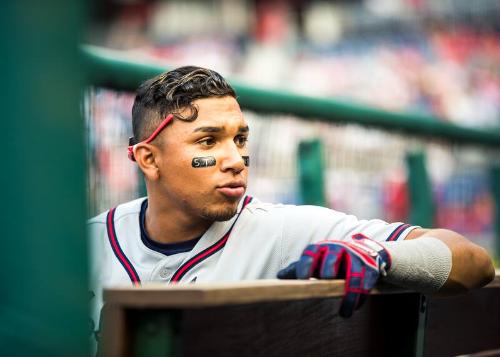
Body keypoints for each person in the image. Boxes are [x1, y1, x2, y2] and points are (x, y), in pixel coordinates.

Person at [88, 66, 495, 340]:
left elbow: (473, 262)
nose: (235, 160)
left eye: (240, 140)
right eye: (208, 141)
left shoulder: (282, 231)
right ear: (148, 159)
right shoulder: (85, 244)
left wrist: (383, 255)